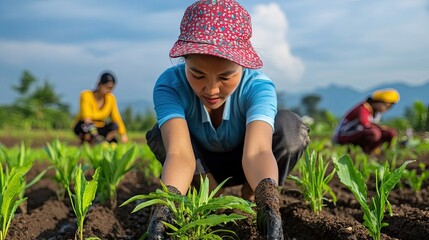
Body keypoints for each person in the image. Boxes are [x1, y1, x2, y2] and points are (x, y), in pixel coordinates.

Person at [145, 0, 310, 239]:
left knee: (291, 129)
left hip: (247, 160)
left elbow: (258, 152)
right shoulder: (170, 85)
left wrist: (268, 202)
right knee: (161, 133)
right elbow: (179, 154)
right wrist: (165, 207)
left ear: (242, 65)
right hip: (199, 163)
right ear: (185, 62)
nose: (211, 89)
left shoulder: (257, 86)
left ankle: (252, 193)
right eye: (197, 74)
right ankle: (210, 193)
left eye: (226, 76)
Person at [332, 88, 400, 154]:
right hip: (343, 136)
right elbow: (366, 125)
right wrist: (381, 127)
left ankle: (382, 153)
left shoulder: (376, 112)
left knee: (391, 133)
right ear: (378, 102)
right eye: (386, 106)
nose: (387, 109)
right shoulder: (362, 109)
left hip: (360, 135)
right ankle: (365, 152)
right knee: (374, 132)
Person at [73, 71, 128, 144]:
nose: (109, 91)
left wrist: (123, 134)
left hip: (101, 127)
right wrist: (96, 136)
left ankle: (105, 142)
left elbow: (116, 117)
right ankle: (88, 141)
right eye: (107, 87)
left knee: (114, 126)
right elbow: (87, 118)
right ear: (100, 84)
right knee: (85, 126)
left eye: (111, 89)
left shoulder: (110, 98)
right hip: (87, 126)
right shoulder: (86, 95)